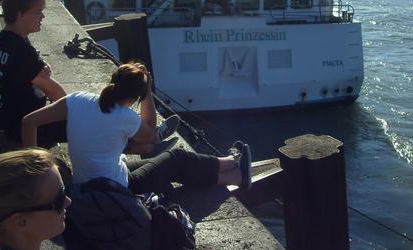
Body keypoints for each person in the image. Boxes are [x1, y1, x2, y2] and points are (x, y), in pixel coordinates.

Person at [22, 62, 252, 195]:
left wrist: (34, 169)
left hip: (87, 183)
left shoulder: (78, 100)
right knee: (176, 157)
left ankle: (234, 176)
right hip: (115, 188)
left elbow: (28, 122)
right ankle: (231, 164)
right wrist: (148, 91)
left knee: (165, 165)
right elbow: (150, 131)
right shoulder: (124, 116)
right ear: (135, 97)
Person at [0, 0, 67, 146]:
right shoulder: (22, 52)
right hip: (22, 129)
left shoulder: (1, 43)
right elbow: (59, 96)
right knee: (85, 119)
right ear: (20, 15)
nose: (42, 16)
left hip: (4, 122)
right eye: (37, 12)